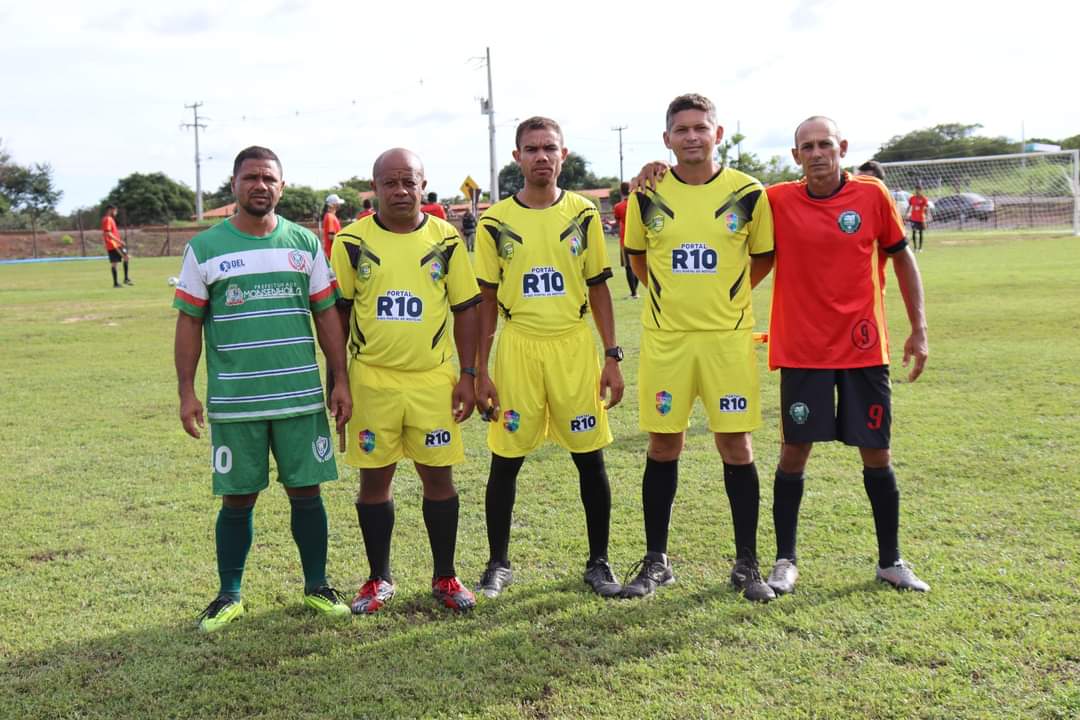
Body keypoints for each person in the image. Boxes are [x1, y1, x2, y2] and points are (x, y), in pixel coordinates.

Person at [173, 146, 354, 632]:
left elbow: (327, 316)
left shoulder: (304, 242)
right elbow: (189, 322)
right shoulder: (206, 248)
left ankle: (317, 586)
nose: (260, 185)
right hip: (236, 401)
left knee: (306, 491)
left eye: (268, 178)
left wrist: (340, 379)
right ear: (234, 184)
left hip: (299, 397)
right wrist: (186, 392)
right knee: (237, 498)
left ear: (282, 185)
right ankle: (229, 594)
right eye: (250, 177)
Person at [762, 116, 930, 594]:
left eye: (825, 144)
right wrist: (657, 171)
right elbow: (715, 199)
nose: (817, 153)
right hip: (802, 349)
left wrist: (919, 328)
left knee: (877, 453)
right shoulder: (776, 201)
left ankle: (891, 560)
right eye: (807, 146)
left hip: (863, 349)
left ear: (843, 148)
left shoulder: (872, 196)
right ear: (796, 156)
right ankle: (785, 560)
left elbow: (902, 255)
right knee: (794, 452)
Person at [620, 94, 777, 603]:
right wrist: (670, 299)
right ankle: (656, 561)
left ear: (719, 133)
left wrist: (725, 300)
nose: (692, 136)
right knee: (664, 445)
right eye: (681, 129)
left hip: (727, 342)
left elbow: (763, 257)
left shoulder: (748, 192)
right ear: (667, 139)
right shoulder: (647, 192)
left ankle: (747, 562)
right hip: (667, 341)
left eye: (700, 128)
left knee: (736, 446)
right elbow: (638, 259)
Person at [473, 116, 625, 600]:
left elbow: (599, 286)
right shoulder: (495, 221)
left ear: (563, 155)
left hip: (573, 347)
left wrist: (612, 356)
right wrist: (479, 373)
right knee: (505, 460)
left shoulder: (583, 214)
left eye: (549, 148)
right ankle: (498, 563)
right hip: (518, 348)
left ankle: (599, 561)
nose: (541, 156)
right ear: (517, 157)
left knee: (590, 458)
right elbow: (485, 299)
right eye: (532, 148)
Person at [331, 148, 481, 614]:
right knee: (374, 482)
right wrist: (338, 380)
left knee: (439, 478)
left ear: (422, 185)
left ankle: (446, 576)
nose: (400, 191)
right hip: (371, 381)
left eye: (408, 182)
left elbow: (466, 309)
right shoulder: (351, 242)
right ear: (374, 189)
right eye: (389, 183)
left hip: (432, 381)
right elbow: (336, 314)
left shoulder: (446, 239)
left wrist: (469, 375)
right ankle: (378, 579)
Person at [611, 181, 639, 299]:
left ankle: (633, 293)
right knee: (638, 264)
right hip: (638, 238)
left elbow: (617, 222)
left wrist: (611, 224)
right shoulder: (638, 203)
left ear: (621, 192)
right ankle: (635, 291)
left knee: (628, 267)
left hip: (625, 239)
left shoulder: (618, 207)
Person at [102, 204, 132, 287]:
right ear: (110, 210)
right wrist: (119, 241)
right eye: (115, 210)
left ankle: (118, 282)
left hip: (113, 244)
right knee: (126, 258)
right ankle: (124, 280)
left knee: (117, 262)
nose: (116, 212)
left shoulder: (109, 219)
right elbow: (108, 233)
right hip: (114, 244)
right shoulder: (108, 219)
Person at [321, 193, 344, 258]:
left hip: (332, 253)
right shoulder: (330, 217)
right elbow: (331, 236)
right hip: (332, 254)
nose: (339, 205)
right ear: (333, 205)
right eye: (338, 203)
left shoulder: (331, 216)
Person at [907, 185, 930, 252]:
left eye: (919, 190)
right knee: (913, 232)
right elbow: (909, 206)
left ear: (921, 191)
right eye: (916, 189)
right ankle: (915, 248)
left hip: (921, 219)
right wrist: (906, 214)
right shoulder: (912, 198)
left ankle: (920, 248)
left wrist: (927, 216)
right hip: (913, 218)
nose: (917, 191)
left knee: (920, 233)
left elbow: (927, 207)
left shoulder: (924, 198)